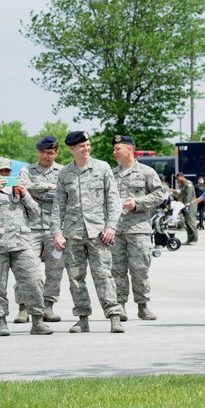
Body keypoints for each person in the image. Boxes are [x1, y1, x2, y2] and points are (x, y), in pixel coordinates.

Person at [51, 131, 126, 334]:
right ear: (72, 148)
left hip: (98, 232)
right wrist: (56, 233)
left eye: (88, 144)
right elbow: (58, 206)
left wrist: (111, 226)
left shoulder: (102, 168)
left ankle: (114, 316)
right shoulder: (65, 173)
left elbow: (113, 199)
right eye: (82, 146)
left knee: (104, 276)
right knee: (76, 278)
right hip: (72, 233)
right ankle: (82, 318)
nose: (87, 148)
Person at [0, 157, 53, 336]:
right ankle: (0, 322)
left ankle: (37, 321)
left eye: (6, 171)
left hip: (21, 242)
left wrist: (25, 195)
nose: (4, 175)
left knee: (33, 281)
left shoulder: (18, 191)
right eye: (0, 171)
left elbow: (35, 214)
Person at [111, 135, 168, 321]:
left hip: (139, 228)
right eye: (114, 149)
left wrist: (138, 202)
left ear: (130, 150)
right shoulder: (111, 174)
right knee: (117, 269)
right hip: (116, 229)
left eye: (118, 149)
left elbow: (160, 194)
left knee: (140, 268)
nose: (115, 152)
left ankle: (143, 305)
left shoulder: (146, 172)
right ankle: (120, 306)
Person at [16, 136, 66, 323]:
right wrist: (47, 186)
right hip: (31, 227)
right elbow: (23, 189)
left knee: (55, 269)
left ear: (56, 153)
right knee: (26, 268)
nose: (46, 156)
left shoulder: (63, 171)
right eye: (43, 152)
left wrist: (38, 191)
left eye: (50, 153)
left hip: (55, 228)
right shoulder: (27, 170)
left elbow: (63, 194)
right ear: (38, 152)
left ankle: (48, 306)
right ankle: (24, 307)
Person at [175, 172, 198, 245]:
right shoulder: (182, 185)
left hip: (190, 205)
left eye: (177, 178)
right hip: (185, 206)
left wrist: (185, 206)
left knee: (191, 221)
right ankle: (189, 239)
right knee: (187, 222)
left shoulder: (188, 184)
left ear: (182, 177)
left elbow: (188, 197)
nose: (177, 180)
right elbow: (181, 194)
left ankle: (194, 238)